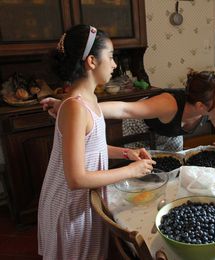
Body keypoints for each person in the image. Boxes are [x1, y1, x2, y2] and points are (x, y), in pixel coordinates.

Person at [37, 24, 155, 259]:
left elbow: (92, 148)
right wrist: (131, 171)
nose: (114, 64)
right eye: (110, 57)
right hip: (69, 208)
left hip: (85, 204)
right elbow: (76, 178)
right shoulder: (75, 107)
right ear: (91, 61)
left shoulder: (89, 99)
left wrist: (126, 154)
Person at [41, 67, 215, 151]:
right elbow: (124, 110)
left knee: (172, 167)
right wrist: (71, 106)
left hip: (168, 128)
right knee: (144, 171)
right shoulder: (168, 104)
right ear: (200, 106)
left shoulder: (213, 110)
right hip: (140, 121)